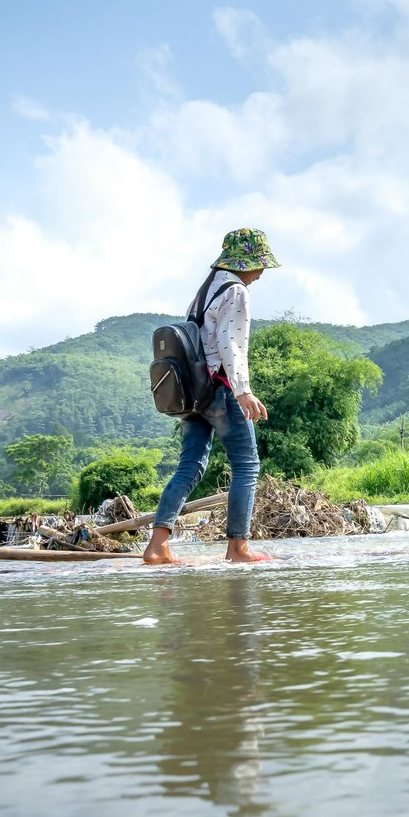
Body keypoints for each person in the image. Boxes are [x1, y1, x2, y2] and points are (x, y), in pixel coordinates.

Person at [143, 228, 279, 565]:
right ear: (245, 262)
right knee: (247, 465)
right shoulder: (236, 291)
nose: (260, 273)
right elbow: (230, 344)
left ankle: (157, 545)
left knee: (190, 465)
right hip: (220, 388)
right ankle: (238, 548)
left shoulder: (206, 289)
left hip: (194, 392)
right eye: (259, 265)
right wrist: (243, 391)